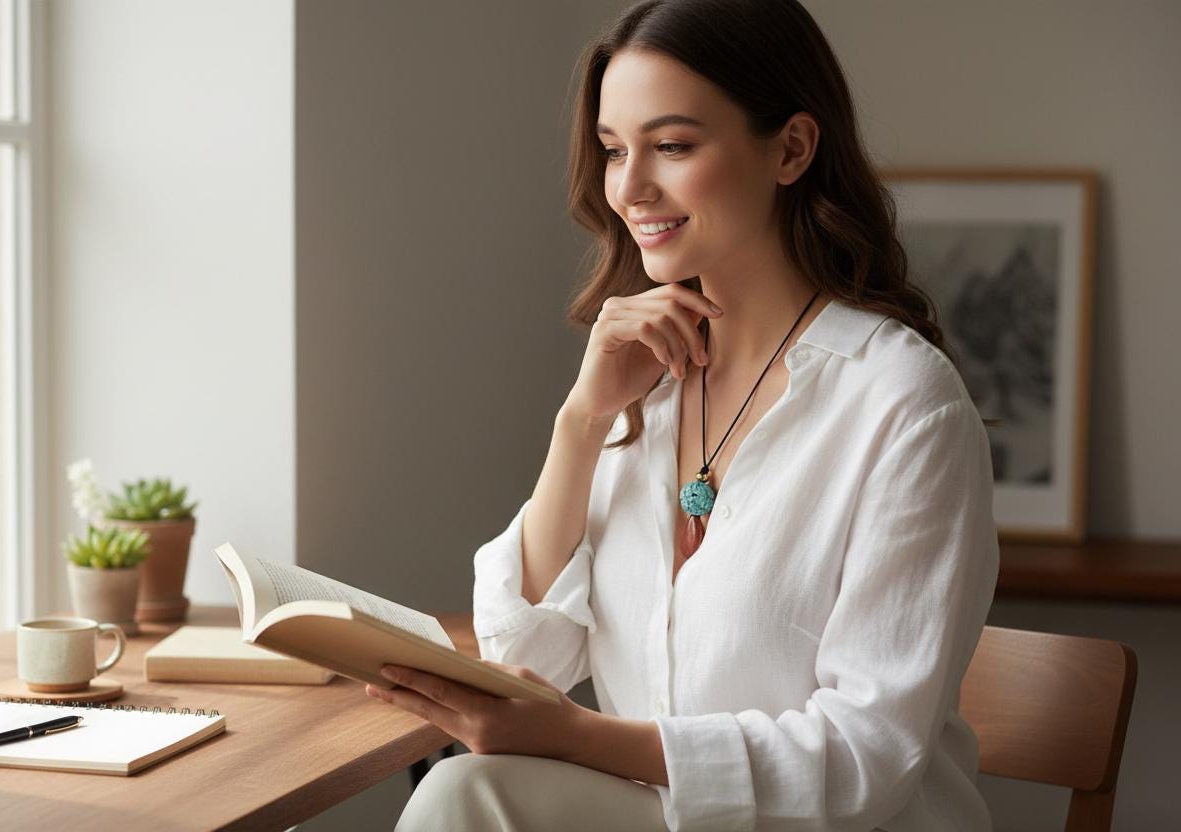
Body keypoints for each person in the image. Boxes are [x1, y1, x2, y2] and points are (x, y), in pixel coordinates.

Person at [377, 1, 999, 829]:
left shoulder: (903, 406)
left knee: (459, 795)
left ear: (791, 148)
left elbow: (864, 761)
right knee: (462, 794)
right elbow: (526, 657)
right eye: (612, 150)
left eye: (671, 146)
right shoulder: (643, 383)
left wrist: (580, 739)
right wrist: (581, 419)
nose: (630, 187)